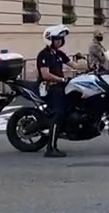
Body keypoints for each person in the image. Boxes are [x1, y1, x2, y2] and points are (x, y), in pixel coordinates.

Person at [37, 24, 86, 158]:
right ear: (50, 40)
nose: (60, 41)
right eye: (57, 39)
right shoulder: (44, 54)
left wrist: (89, 66)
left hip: (60, 85)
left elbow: (74, 65)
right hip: (49, 87)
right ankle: (51, 147)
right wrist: (61, 79)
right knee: (59, 113)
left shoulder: (58, 53)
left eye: (61, 39)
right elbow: (45, 74)